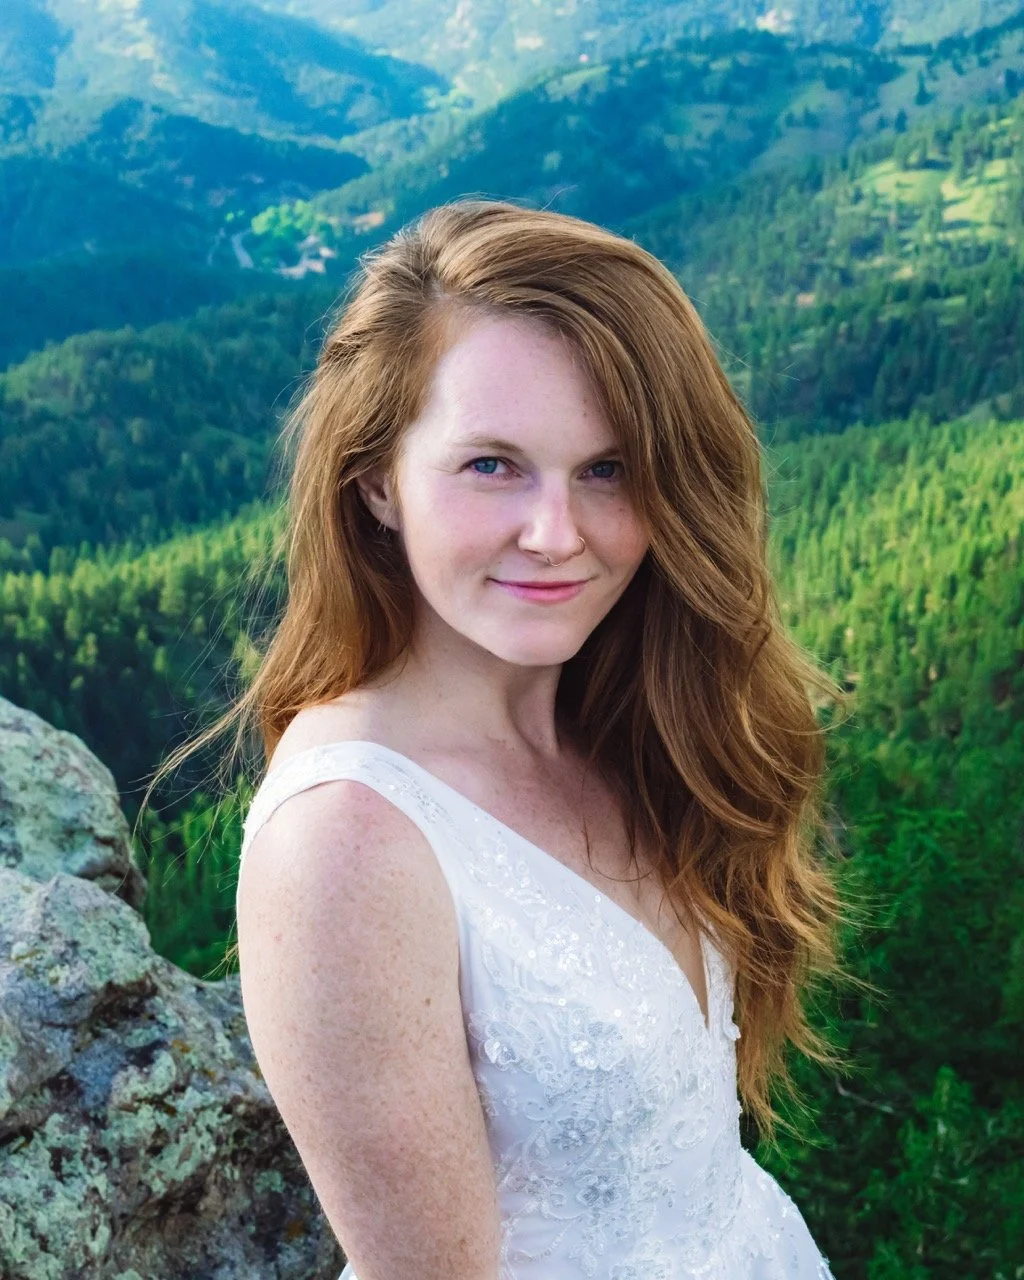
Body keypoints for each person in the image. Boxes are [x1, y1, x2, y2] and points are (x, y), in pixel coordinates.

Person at [219, 197, 848, 1278]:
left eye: (606, 469)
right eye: (491, 464)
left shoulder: (620, 723)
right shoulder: (347, 843)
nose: (557, 534)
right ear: (375, 481)